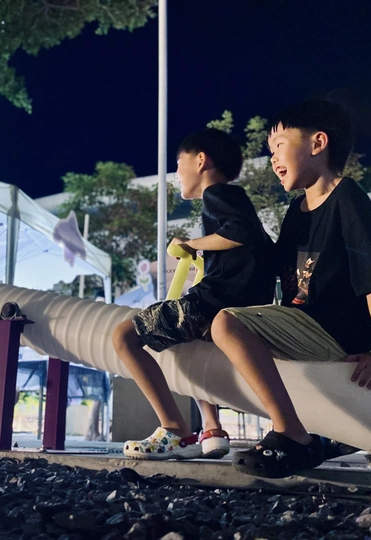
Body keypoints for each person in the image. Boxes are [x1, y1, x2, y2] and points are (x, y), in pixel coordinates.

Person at [211, 99, 371, 478]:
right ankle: (318, 433)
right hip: (304, 327)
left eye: (279, 145)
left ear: (318, 143)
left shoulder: (347, 197)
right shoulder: (296, 212)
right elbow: (272, 268)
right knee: (216, 325)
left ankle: (291, 434)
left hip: (337, 334)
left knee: (227, 323)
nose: (272, 158)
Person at [112, 128, 275, 460]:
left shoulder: (217, 194)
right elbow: (255, 242)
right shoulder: (236, 199)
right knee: (193, 350)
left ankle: (174, 429)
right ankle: (210, 427)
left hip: (214, 301)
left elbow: (240, 234)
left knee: (124, 337)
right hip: (237, 306)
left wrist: (189, 244)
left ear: (201, 160)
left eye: (178, 163)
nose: (176, 174)